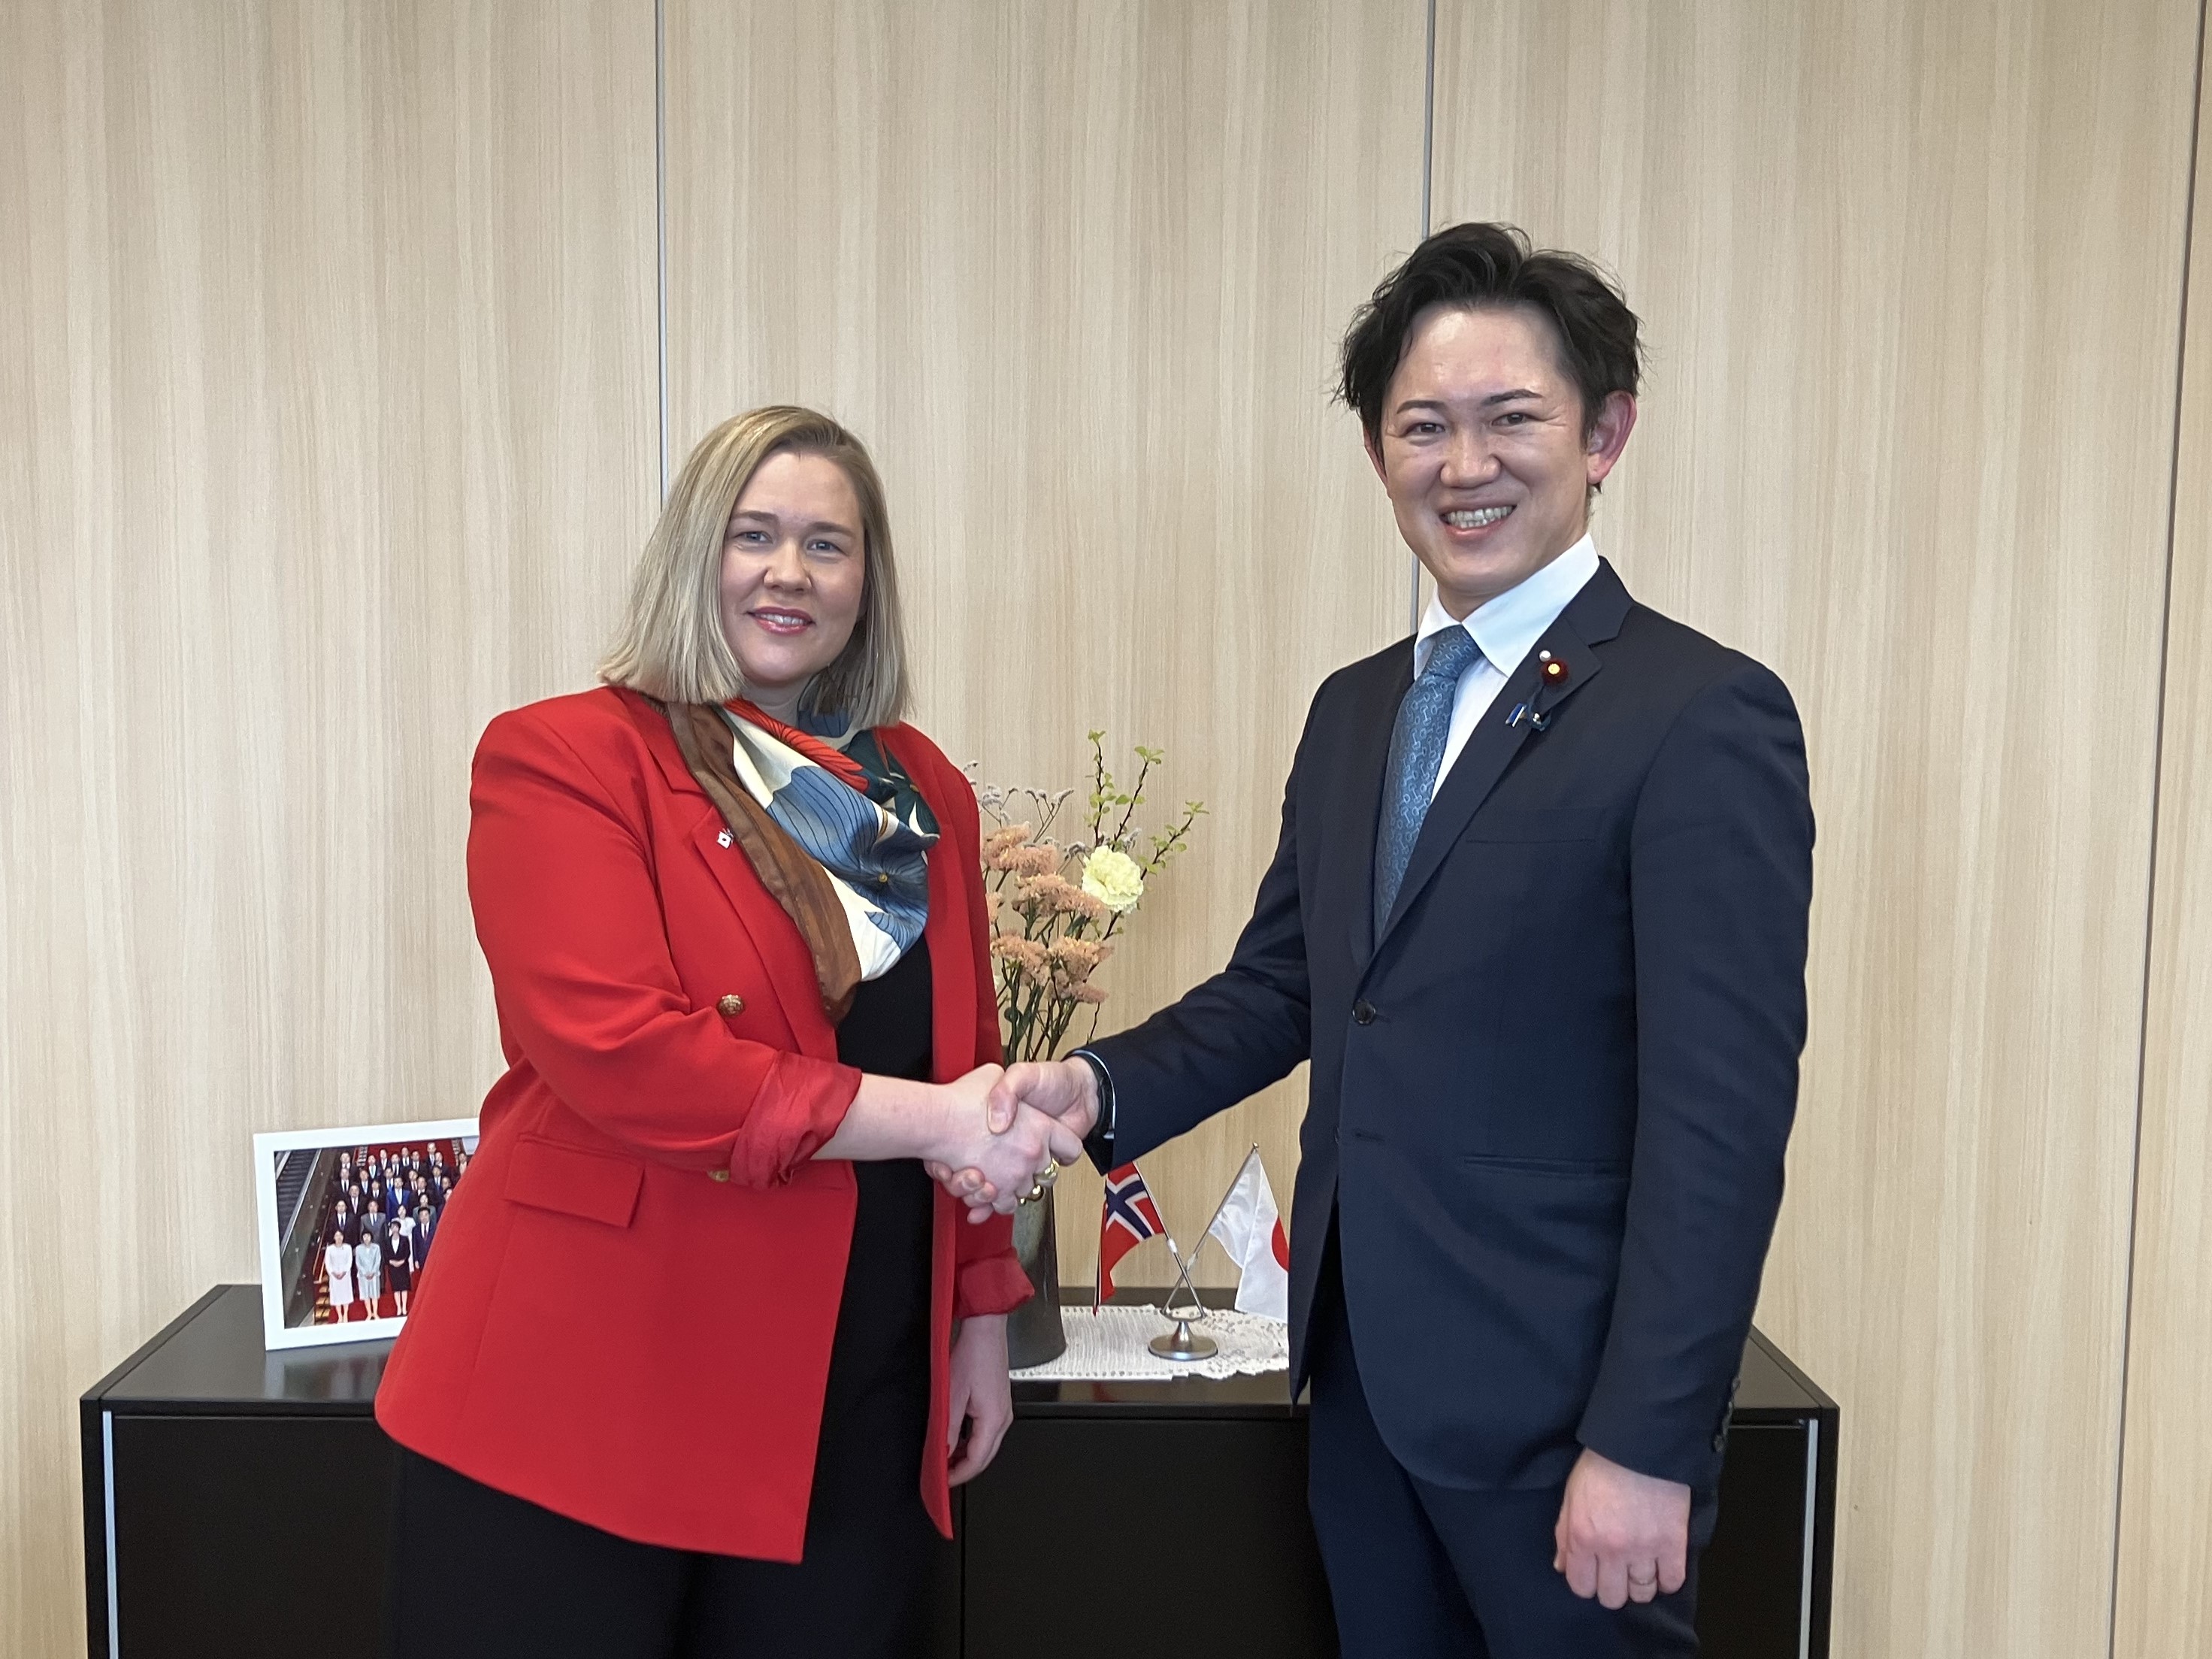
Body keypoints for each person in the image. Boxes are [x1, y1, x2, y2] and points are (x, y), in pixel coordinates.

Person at [965, 224, 1814, 1658]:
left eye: (1510, 418)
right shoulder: (1356, 708)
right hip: (1359, 1387)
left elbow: (1717, 1121)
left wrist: (1645, 1441)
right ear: (1376, 454)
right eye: (1422, 426)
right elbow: (1287, 987)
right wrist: (1092, 1088)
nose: (1462, 464)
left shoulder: (1697, 714)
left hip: (1565, 1423)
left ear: (1603, 434)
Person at [374, 405, 1082, 1659]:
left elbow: (962, 1050)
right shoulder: (566, 755)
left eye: (826, 543)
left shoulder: (921, 786)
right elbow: (627, 1055)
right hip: (587, 1389)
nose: (787, 572)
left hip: (853, 1393)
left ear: (866, 582)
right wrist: (940, 1120)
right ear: (693, 554)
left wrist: (980, 1318)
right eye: (753, 535)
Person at [324, 1223, 355, 1324]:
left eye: (340, 1235)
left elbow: (349, 1261)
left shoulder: (348, 1247)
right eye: (337, 1236)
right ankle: (340, 1316)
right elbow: (328, 1262)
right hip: (334, 1276)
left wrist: (344, 1272)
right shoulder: (330, 1249)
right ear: (334, 1237)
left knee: (346, 1295)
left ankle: (345, 1314)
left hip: (345, 1275)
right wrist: (333, 1273)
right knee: (337, 1296)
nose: (339, 1238)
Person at [354, 1225, 383, 1321]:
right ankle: (369, 1314)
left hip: (374, 1274)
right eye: (364, 1236)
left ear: (371, 1237)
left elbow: (378, 1260)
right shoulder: (358, 1249)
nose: (366, 1238)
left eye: (368, 1236)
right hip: (363, 1276)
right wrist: (364, 1272)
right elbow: (358, 1262)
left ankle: (375, 1313)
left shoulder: (376, 1247)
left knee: (374, 1294)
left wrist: (373, 1272)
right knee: (366, 1295)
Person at [385, 1220, 413, 1318]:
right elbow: (385, 1253)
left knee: (404, 1287)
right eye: (392, 1227)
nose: (394, 1229)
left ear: (399, 1228)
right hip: (392, 1267)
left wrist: (402, 1261)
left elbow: (408, 1252)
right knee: (396, 1288)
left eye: (396, 1227)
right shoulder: (387, 1241)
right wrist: (391, 1262)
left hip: (403, 1266)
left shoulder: (404, 1239)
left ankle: (404, 1307)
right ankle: (399, 1308)